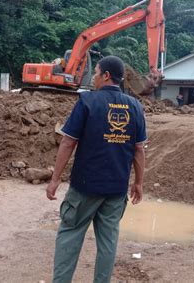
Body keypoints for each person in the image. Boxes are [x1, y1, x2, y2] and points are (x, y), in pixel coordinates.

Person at [46, 56, 147, 283]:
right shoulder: (135, 106)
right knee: (108, 242)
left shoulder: (87, 101)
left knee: (70, 234)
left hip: (85, 187)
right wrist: (138, 183)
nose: (94, 77)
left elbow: (68, 142)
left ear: (106, 76)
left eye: (97, 72)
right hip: (116, 190)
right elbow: (139, 150)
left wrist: (55, 179)